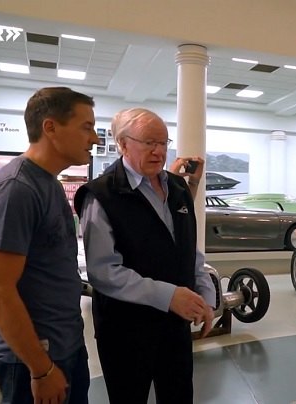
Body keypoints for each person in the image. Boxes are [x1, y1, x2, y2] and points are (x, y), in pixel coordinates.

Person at [73, 108, 215, 404]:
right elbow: (104, 272)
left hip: (174, 328)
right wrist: (169, 296)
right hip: (126, 334)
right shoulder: (101, 195)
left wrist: (205, 297)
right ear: (123, 144)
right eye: (149, 142)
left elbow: (189, 250)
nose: (159, 151)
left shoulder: (177, 188)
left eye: (163, 143)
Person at [0, 87, 98, 404]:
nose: (95, 138)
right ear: (50, 127)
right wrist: (41, 369)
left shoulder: (49, 184)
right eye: (86, 127)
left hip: (66, 347)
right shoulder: (16, 189)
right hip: (32, 361)